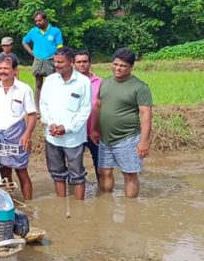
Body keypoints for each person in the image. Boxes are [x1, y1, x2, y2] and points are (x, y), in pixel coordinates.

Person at [91, 48, 153, 198]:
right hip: (105, 138)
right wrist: (93, 129)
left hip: (128, 138)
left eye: (123, 66)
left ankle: (131, 210)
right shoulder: (105, 82)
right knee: (104, 172)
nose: (118, 68)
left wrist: (144, 142)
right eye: (115, 64)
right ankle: (106, 203)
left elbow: (146, 115)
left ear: (131, 67)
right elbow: (98, 106)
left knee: (130, 175)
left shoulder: (140, 87)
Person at [0, 54, 37, 200]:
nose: (2, 71)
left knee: (21, 171)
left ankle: (29, 204)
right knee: (3, 171)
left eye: (6, 68)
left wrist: (27, 134)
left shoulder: (24, 89)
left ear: (15, 70)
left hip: (16, 135)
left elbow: (32, 115)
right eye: (0, 68)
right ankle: (9, 202)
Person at [40, 47, 91, 200]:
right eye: (55, 62)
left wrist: (66, 128)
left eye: (61, 62)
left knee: (77, 174)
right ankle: (61, 203)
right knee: (57, 173)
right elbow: (43, 105)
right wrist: (51, 124)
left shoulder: (83, 82)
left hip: (73, 139)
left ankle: (79, 208)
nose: (57, 65)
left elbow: (85, 110)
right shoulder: (50, 81)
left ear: (71, 62)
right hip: (52, 136)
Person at [22, 11, 64, 109]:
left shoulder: (55, 31)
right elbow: (24, 41)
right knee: (38, 84)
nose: (37, 23)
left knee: (53, 84)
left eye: (39, 20)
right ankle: (37, 109)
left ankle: (52, 106)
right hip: (38, 60)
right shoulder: (33, 31)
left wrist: (58, 58)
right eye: (36, 21)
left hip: (51, 59)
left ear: (45, 20)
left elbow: (60, 47)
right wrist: (30, 52)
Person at [74, 49, 102, 183]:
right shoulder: (69, 83)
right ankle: (76, 196)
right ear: (73, 64)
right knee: (75, 167)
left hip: (96, 132)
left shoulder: (100, 83)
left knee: (101, 166)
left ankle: (103, 195)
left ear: (90, 63)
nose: (82, 64)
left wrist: (97, 129)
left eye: (85, 61)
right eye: (78, 62)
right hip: (75, 132)